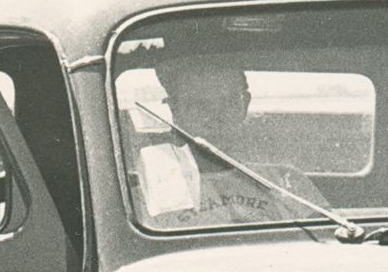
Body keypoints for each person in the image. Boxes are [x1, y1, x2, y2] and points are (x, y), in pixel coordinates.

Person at [135, 55, 333, 229]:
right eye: (199, 105)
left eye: (228, 102)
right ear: (174, 110)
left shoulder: (286, 180)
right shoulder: (152, 187)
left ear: (245, 103)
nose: (215, 116)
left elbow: (327, 244)